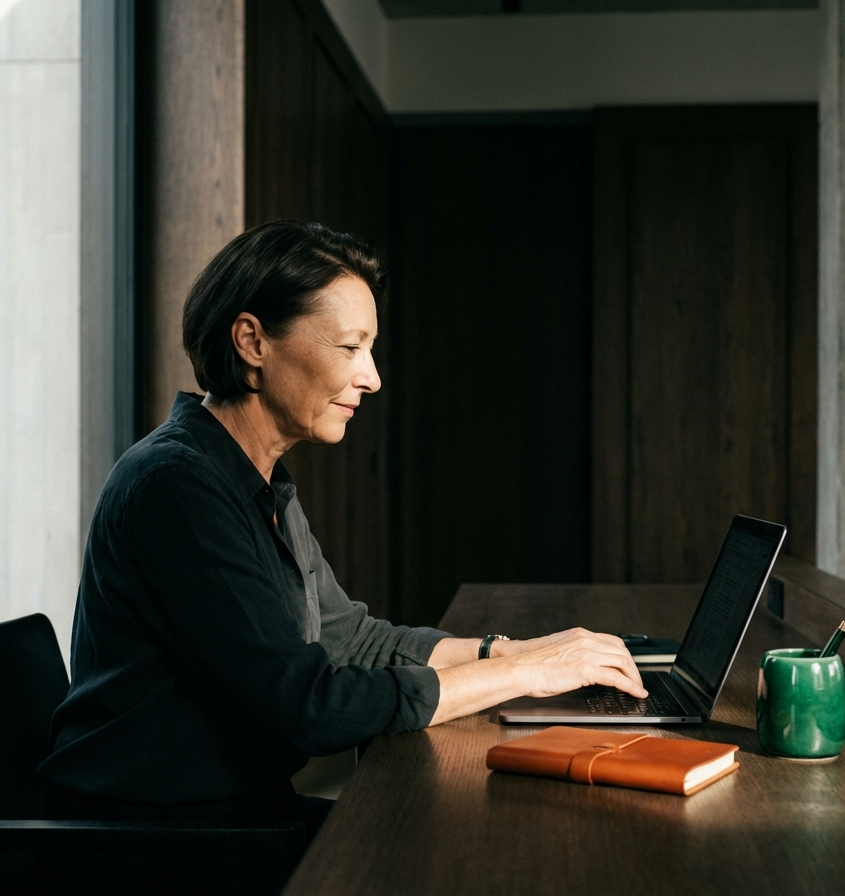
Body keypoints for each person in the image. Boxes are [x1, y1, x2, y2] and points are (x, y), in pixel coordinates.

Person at [39, 220, 645, 893]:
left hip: (227, 819)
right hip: (158, 849)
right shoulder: (177, 487)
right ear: (253, 341)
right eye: (352, 347)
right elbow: (311, 704)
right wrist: (527, 674)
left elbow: (348, 637)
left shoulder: (251, 476)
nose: (373, 377)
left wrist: (506, 653)